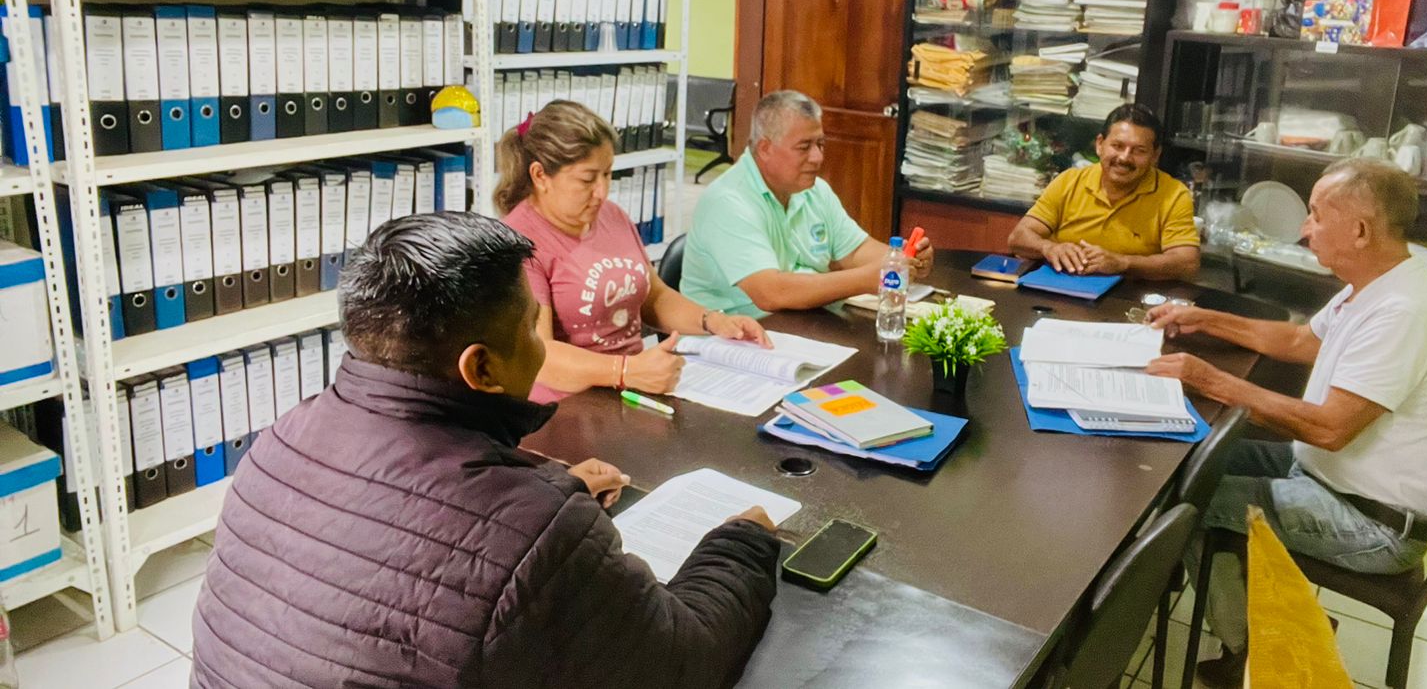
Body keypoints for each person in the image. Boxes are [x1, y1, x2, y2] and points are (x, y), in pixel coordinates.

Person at [191, 212, 782, 689]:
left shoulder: (278, 442)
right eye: (533, 329)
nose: (541, 345)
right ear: (481, 368)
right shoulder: (536, 531)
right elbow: (684, 665)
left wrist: (541, 500)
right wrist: (741, 544)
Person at [1143, 159, 1427, 686]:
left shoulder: (1405, 311)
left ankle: (1260, 651)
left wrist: (1209, 379)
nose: (1304, 227)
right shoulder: (1375, 283)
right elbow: (1299, 341)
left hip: (1371, 520)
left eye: (1316, 214)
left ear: (1359, 231)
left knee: (1192, 504)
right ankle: (1275, 619)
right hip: (1328, 475)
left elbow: (1328, 429)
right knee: (1194, 456)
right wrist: (1201, 318)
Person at [496, 101, 768, 401]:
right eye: (587, 179)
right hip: (568, 406)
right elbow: (540, 355)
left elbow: (654, 296)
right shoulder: (519, 243)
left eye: (607, 174)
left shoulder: (612, 215)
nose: (602, 192)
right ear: (540, 176)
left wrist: (712, 321)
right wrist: (626, 371)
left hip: (631, 390)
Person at [682, 90, 934, 317]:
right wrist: (869, 278)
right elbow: (771, 294)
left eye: (820, 144)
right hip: (726, 340)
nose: (817, 157)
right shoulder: (728, 202)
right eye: (804, 147)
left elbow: (854, 252)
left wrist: (904, 260)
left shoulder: (814, 190)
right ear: (765, 148)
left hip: (797, 326)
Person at [1007, 103, 1200, 280]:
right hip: (1059, 285)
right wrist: (1049, 248)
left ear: (1155, 155)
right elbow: (1018, 237)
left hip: (1130, 296)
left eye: (1139, 150)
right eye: (1117, 146)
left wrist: (1123, 263)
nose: (1124, 158)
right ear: (1100, 144)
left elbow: (1187, 263)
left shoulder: (1173, 195)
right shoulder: (1069, 181)